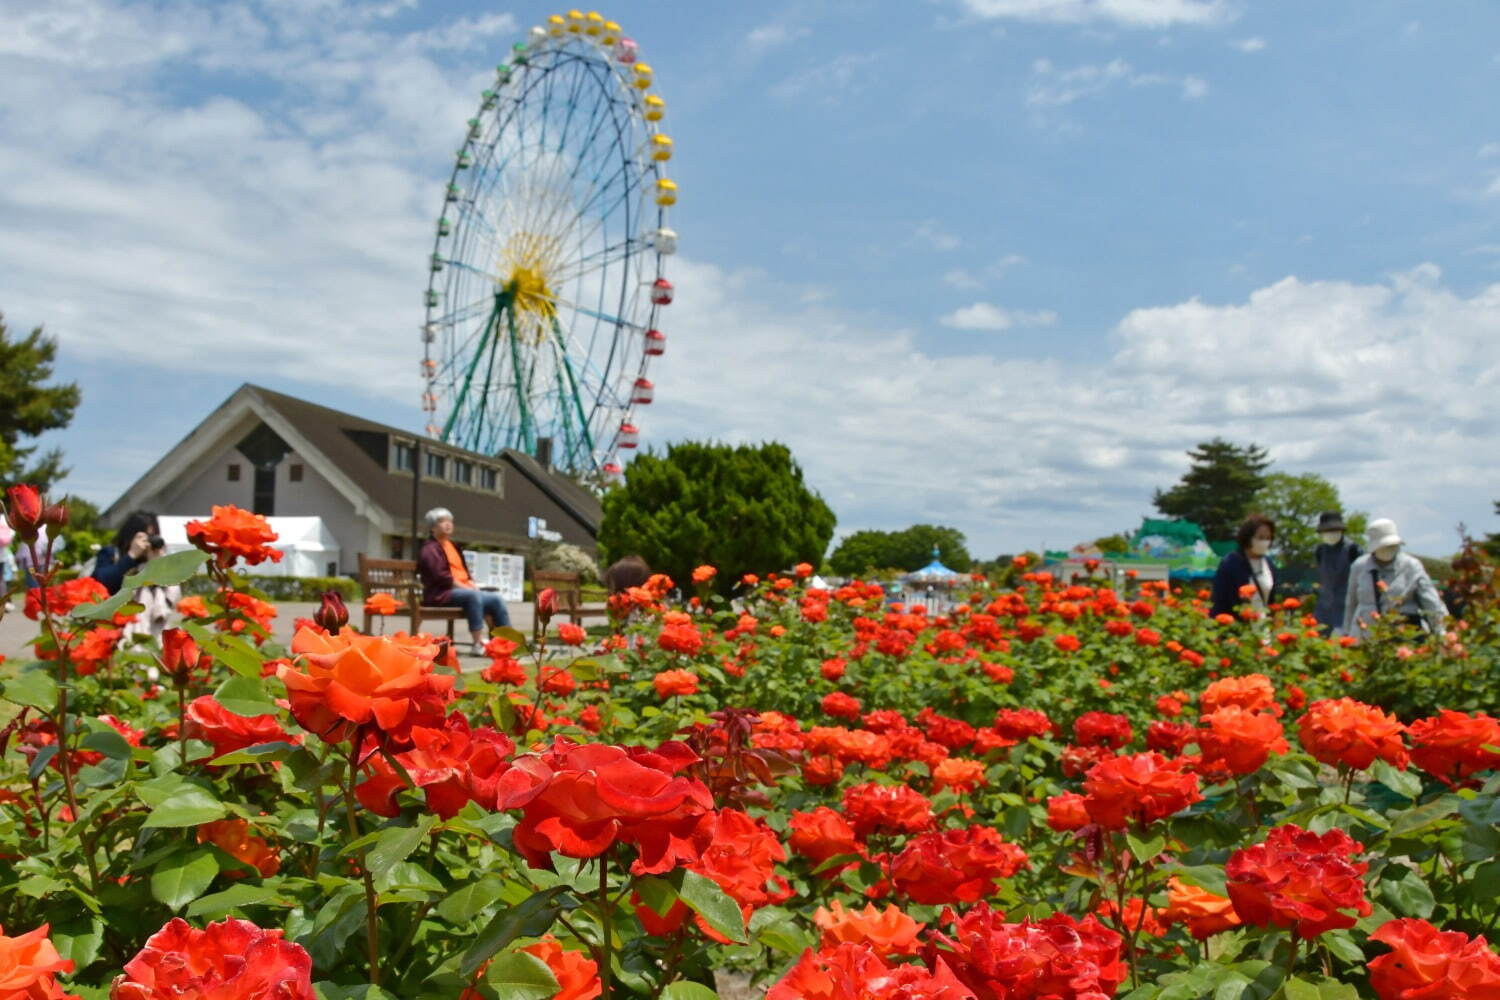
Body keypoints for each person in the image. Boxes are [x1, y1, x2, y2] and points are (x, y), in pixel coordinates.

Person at [416, 507, 511, 655]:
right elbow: (441, 577)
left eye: (450, 521)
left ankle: (505, 643)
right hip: (440, 594)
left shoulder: (452, 546)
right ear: (433, 527)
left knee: (496, 599)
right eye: (442, 521)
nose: (448, 524)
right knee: (474, 596)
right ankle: (477, 644)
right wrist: (466, 588)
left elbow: (463, 572)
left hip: (460, 591)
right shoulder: (430, 549)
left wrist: (471, 584)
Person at [1342, 518, 1448, 640]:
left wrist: (1441, 631)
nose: (1387, 550)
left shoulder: (1411, 566)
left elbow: (1431, 602)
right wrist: (1347, 633)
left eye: (1391, 546)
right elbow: (1351, 602)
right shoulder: (1359, 567)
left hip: (1405, 634)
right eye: (1383, 546)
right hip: (1368, 636)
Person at [1210, 514, 1277, 619]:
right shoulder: (1231, 563)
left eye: (1268, 538)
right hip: (1237, 627)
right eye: (1260, 537)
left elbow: (1271, 601)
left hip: (1263, 627)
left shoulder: (1268, 564)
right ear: (1248, 538)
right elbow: (1220, 600)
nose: (1265, 542)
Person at [1313, 511, 1361, 635]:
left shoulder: (1353, 549)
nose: (1330, 534)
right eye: (1327, 531)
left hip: (1347, 607)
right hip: (1324, 608)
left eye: (1334, 530)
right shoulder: (1320, 550)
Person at [92, 510, 162, 595]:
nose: (149, 542)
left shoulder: (152, 559)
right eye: (146, 536)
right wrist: (131, 555)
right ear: (132, 535)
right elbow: (101, 583)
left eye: (153, 536)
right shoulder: (110, 553)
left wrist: (157, 564)